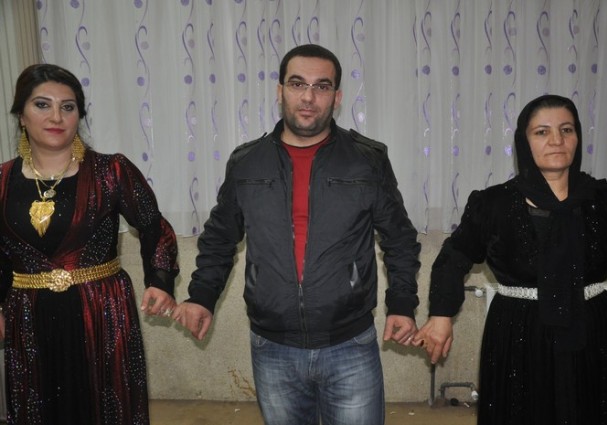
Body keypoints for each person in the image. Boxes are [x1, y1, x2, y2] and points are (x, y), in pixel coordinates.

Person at [172, 44, 421, 425]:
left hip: (350, 344)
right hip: (273, 346)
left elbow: (399, 238)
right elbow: (220, 238)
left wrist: (402, 303)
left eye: (322, 86)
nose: (308, 97)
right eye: (297, 84)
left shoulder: (367, 160)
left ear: (337, 97)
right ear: (280, 91)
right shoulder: (246, 162)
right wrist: (202, 297)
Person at [413, 94, 607, 425]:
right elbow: (455, 255)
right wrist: (441, 315)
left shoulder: (606, 201)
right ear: (524, 141)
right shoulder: (494, 204)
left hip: (591, 331)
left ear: (578, 137)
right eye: (542, 132)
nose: (557, 140)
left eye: (566, 129)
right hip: (518, 332)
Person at [0, 64, 180, 425]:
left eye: (67, 107)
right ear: (21, 115)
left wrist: (160, 281)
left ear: (79, 116)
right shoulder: (2, 180)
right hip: (28, 317)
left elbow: (153, 227)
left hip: (101, 311)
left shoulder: (111, 172)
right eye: (42, 105)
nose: (56, 117)